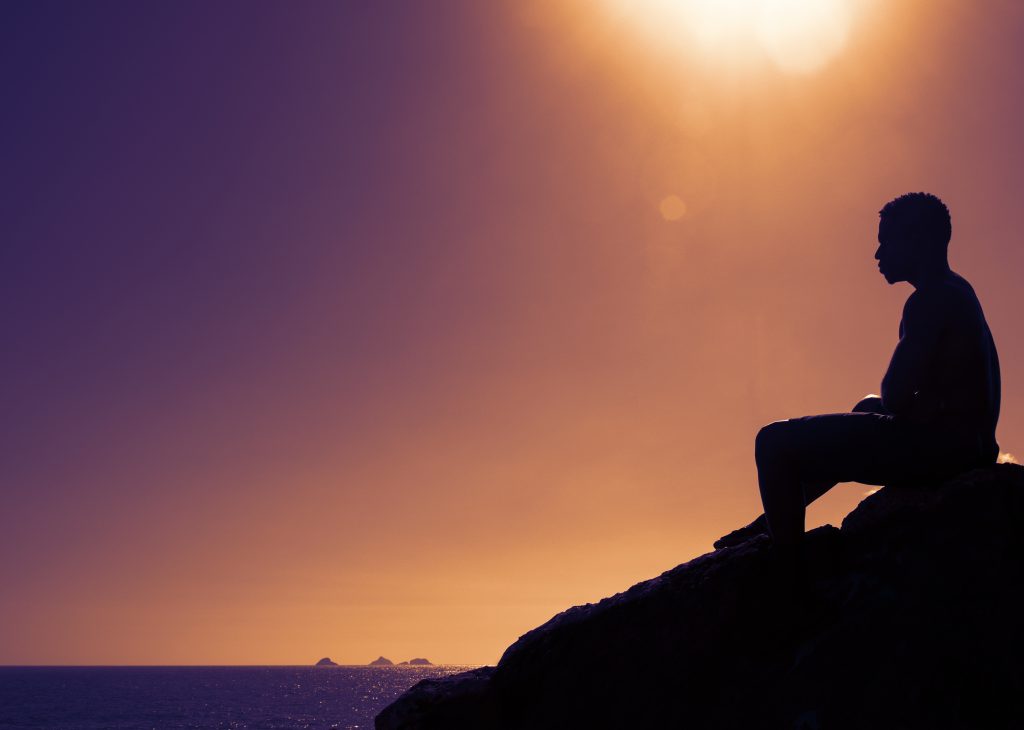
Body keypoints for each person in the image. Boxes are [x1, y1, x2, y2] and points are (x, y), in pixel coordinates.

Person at [715, 192, 1001, 551]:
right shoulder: (959, 289)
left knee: (773, 442)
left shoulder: (928, 300)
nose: (878, 254)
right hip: (972, 447)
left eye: (886, 241)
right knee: (867, 406)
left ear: (917, 239)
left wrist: (920, 407)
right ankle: (769, 524)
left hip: (940, 452)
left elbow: (895, 396)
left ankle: (790, 570)